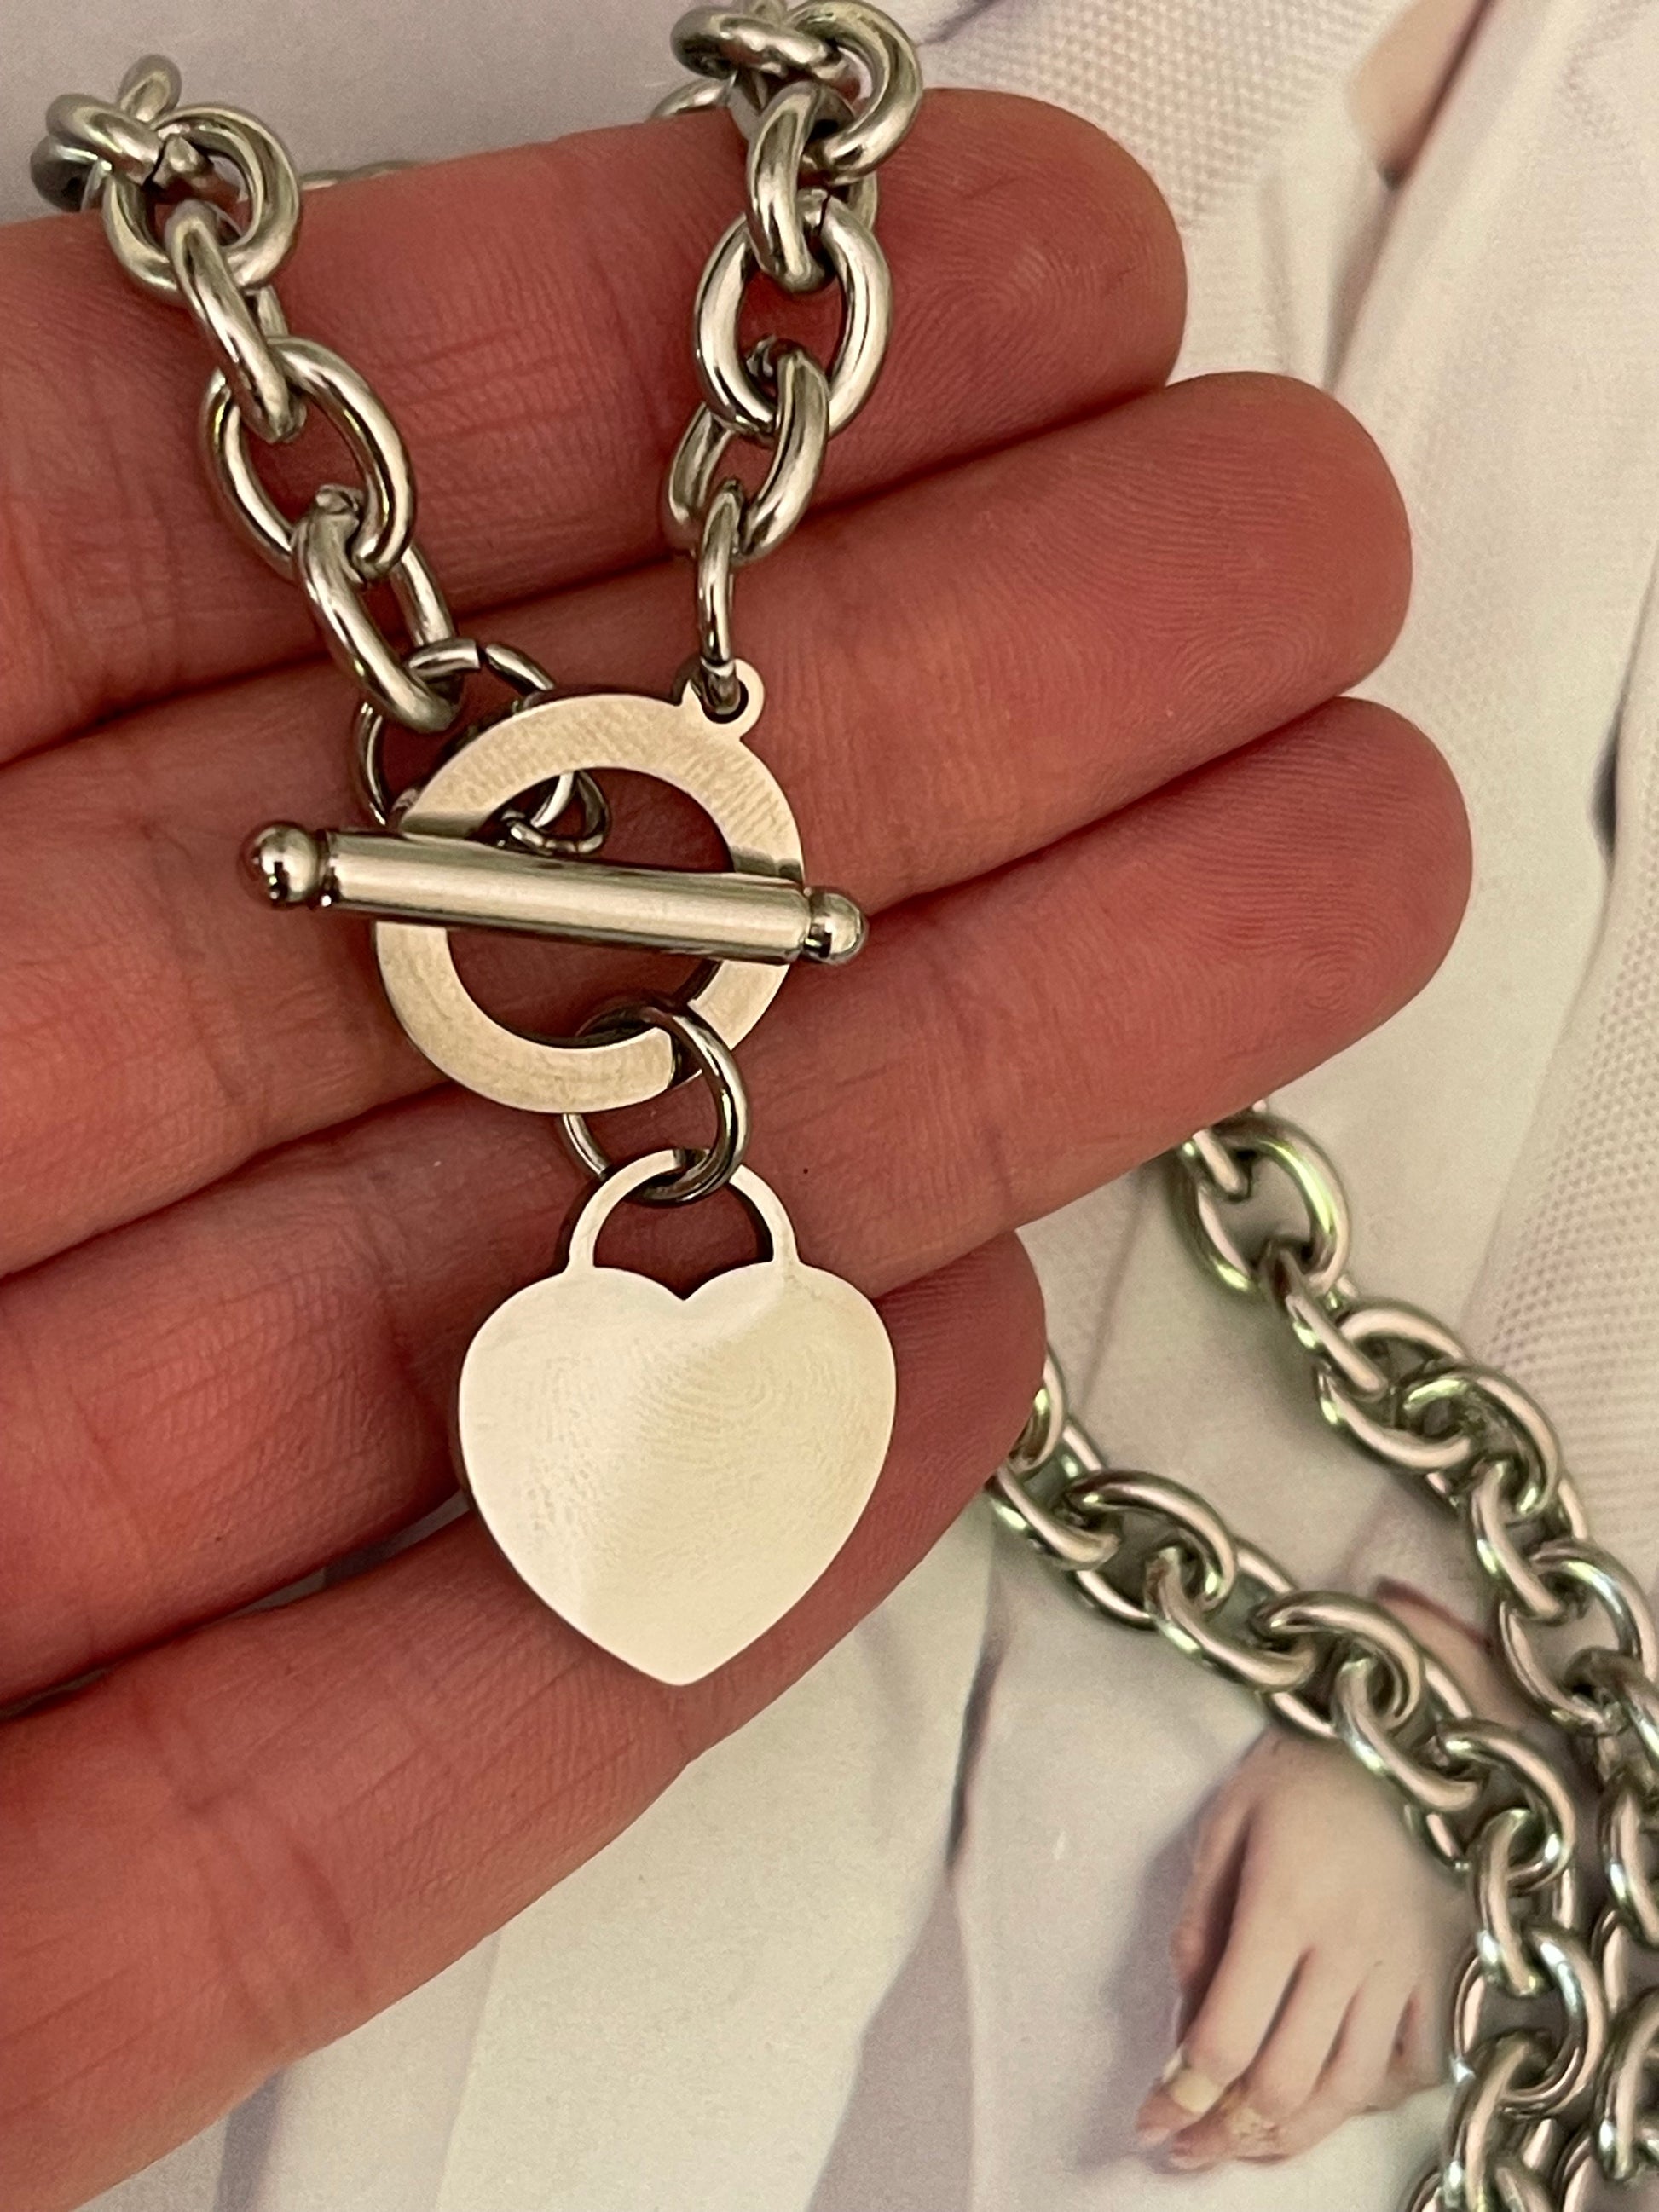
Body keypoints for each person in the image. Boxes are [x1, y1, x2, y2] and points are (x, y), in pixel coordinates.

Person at [3, 3, 1651, 2209]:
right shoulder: (989, 98)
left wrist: (1469, 1648)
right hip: (834, 1299)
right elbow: (885, 284)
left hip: (1317, 1495)